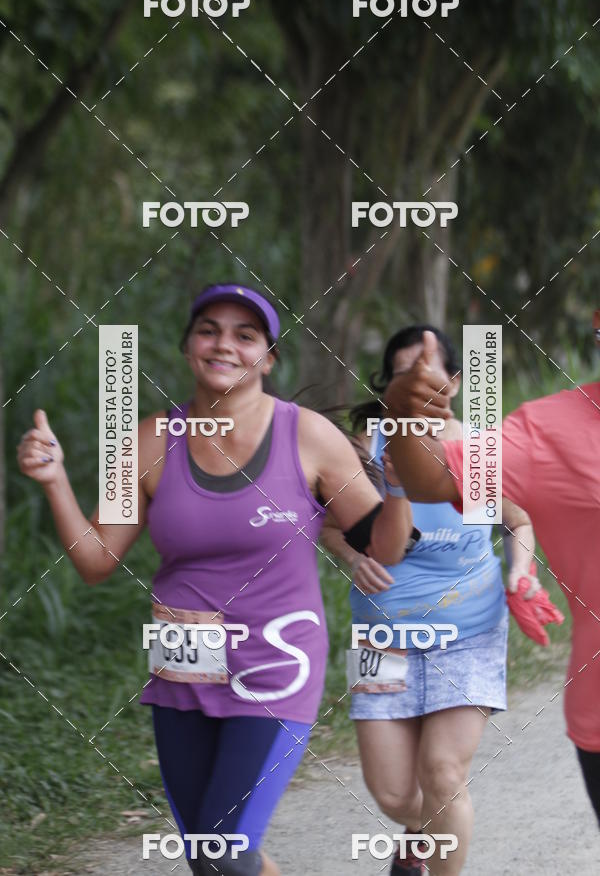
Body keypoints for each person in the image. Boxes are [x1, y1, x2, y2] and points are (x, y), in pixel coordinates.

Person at [17, 283, 413, 876]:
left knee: (224, 854)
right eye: (209, 329)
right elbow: (97, 560)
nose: (224, 343)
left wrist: (401, 479)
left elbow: (387, 545)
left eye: (245, 334)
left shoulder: (306, 436)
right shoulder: (151, 440)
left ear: (269, 358)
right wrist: (54, 482)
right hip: (182, 664)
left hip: (277, 663)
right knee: (211, 860)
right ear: (187, 347)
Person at [320, 326, 536, 876]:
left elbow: (517, 521)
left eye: (430, 367)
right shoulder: (366, 445)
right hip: (383, 636)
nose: (419, 380)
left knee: (443, 773)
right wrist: (352, 557)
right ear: (389, 384)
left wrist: (520, 572)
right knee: (394, 795)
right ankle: (420, 833)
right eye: (404, 370)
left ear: (455, 382)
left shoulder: (476, 448)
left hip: (469, 630)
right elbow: (330, 524)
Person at [383, 315, 600, 830]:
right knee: (394, 791)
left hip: (468, 625)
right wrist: (402, 414)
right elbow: (430, 479)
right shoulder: (549, 431)